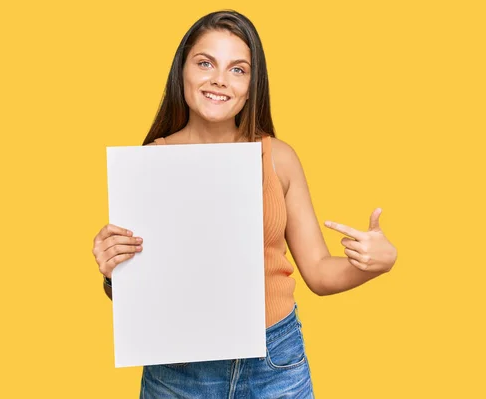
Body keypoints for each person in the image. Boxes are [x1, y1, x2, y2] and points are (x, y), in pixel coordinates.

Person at [91, 9, 397, 399]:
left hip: (275, 363)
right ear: (182, 71)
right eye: (205, 63)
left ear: (252, 85)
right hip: (178, 371)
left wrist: (376, 265)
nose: (219, 79)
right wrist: (113, 272)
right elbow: (144, 292)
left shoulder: (278, 158)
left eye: (238, 69)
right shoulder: (149, 162)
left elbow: (319, 274)